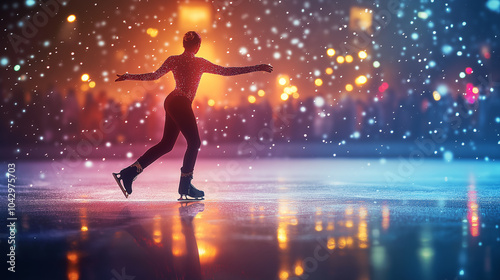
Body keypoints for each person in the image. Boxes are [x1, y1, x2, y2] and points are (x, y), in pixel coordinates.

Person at [113, 31, 273, 200]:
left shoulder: (173, 59)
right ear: (197, 46)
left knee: (166, 144)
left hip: (171, 101)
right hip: (181, 102)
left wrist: (130, 76)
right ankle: (185, 185)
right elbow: (226, 71)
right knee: (194, 142)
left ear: (184, 45)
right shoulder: (199, 63)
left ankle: (129, 173)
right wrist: (256, 67)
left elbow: (154, 76)